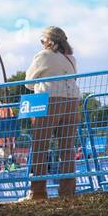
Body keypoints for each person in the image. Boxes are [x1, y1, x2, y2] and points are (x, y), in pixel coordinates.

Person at [24, 26, 81, 200]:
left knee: (40, 146)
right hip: (72, 99)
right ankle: (67, 192)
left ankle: (38, 191)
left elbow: (28, 81)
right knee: (67, 148)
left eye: (42, 41)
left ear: (48, 41)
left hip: (48, 99)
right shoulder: (70, 58)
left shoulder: (44, 56)